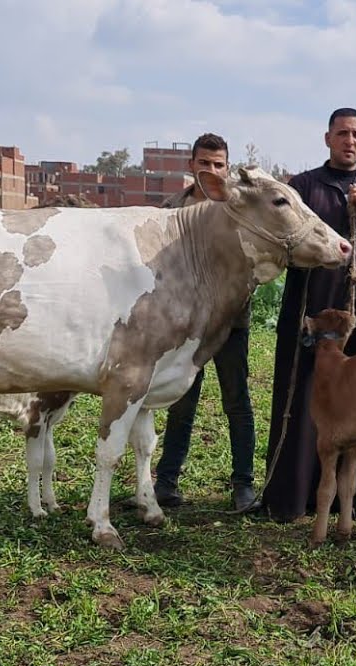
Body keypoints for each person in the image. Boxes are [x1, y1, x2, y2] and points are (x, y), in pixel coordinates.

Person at [261, 107, 356, 523]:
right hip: (313, 311)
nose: (349, 141)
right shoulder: (302, 187)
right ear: (327, 139)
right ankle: (295, 495)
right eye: (342, 133)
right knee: (305, 395)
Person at [151, 132, 258, 512]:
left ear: (226, 169)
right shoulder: (170, 209)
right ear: (191, 166)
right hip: (183, 325)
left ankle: (243, 485)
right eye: (204, 163)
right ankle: (166, 481)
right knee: (180, 399)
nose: (210, 170)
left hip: (230, 322)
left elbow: (255, 261)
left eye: (218, 164)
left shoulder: (239, 208)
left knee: (237, 401)